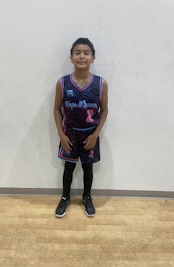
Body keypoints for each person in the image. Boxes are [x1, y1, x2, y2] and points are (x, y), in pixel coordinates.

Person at [54, 37, 108, 218]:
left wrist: (96, 134)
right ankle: (65, 197)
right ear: (71, 58)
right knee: (68, 167)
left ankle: (87, 197)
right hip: (69, 133)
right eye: (77, 53)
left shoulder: (100, 84)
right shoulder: (63, 83)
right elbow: (56, 109)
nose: (82, 56)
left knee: (87, 168)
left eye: (86, 53)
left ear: (93, 57)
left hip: (89, 134)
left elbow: (105, 109)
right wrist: (61, 135)